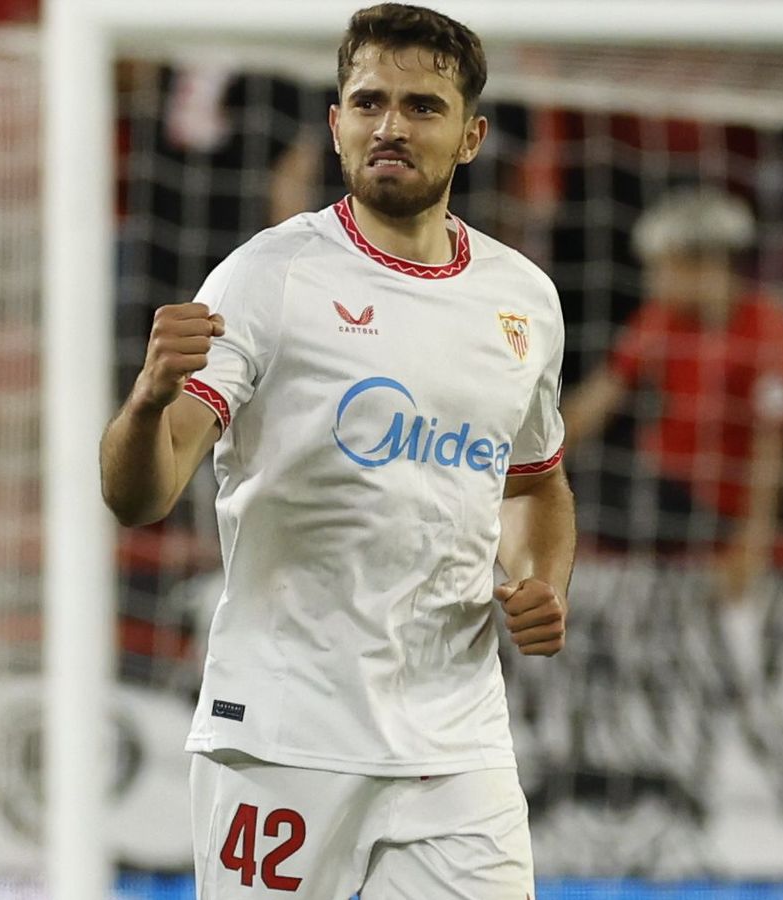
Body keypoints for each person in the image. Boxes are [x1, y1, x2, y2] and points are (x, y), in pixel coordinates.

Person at [99, 5, 574, 896]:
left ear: (470, 136)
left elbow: (534, 483)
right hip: (286, 735)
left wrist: (541, 579)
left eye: (422, 107)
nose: (391, 126)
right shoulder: (269, 278)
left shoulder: (524, 300)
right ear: (336, 122)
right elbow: (143, 492)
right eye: (369, 102)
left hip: (455, 743)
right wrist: (145, 399)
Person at [561, 187, 783, 596]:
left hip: (713, 501)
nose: (652, 281)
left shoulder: (770, 332)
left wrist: (751, 540)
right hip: (656, 480)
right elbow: (596, 403)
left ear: (706, 265)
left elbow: (773, 445)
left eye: (662, 268)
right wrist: (524, 467)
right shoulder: (660, 321)